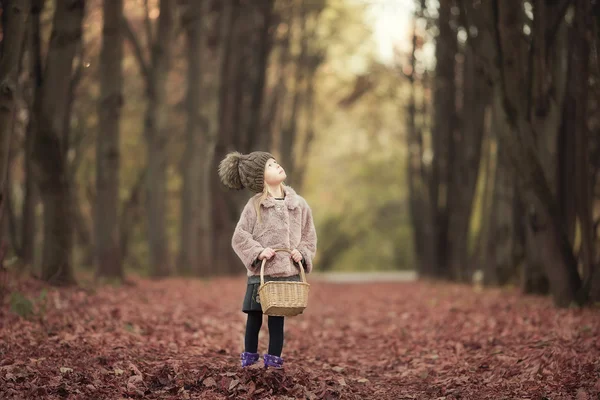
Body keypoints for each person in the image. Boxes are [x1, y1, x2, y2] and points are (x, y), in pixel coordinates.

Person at [218, 151, 317, 369]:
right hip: (261, 273)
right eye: (271, 165)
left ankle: (273, 362)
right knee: (254, 317)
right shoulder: (254, 206)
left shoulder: (299, 204)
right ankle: (250, 358)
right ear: (259, 178)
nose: (278, 166)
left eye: (276, 162)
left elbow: (309, 236)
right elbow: (240, 236)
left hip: (286, 273)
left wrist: (302, 253)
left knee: (277, 319)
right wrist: (258, 251)